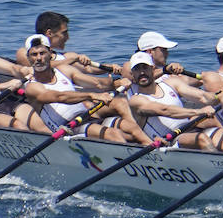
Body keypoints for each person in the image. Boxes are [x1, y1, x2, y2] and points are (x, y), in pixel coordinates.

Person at [11, 35, 144, 144]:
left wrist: (118, 82)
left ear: (50, 54)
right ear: (28, 58)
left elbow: (97, 83)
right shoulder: (32, 87)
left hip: (88, 117)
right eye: (34, 55)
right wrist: (91, 96)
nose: (39, 58)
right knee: (113, 134)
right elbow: (60, 97)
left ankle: (148, 146)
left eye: (42, 53)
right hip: (70, 128)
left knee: (128, 122)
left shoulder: (64, 70)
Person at [122, 51, 221, 150]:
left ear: (152, 69)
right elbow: (165, 110)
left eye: (145, 67)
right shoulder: (136, 100)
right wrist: (199, 111)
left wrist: (218, 96)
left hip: (189, 128)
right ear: (133, 74)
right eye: (137, 69)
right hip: (170, 141)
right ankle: (219, 163)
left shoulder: (171, 83)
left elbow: (202, 97)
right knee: (201, 138)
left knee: (220, 126)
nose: (142, 72)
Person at [14, 11, 105, 74]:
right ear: (49, 33)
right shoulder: (23, 52)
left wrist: (112, 68)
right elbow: (41, 66)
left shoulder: (66, 56)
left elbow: (90, 69)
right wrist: (73, 59)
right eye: (64, 33)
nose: (68, 38)